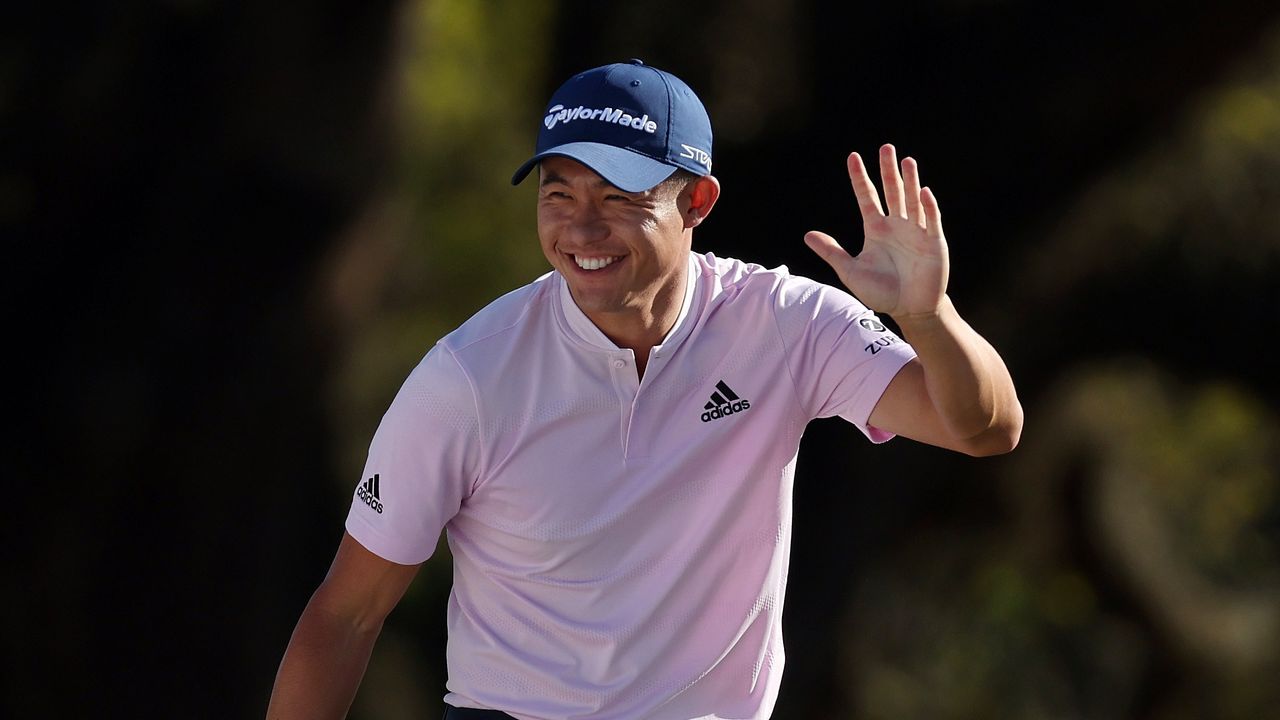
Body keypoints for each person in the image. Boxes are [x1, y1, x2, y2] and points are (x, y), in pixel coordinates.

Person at [266, 59, 1022, 720]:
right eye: (558, 195)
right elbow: (347, 613)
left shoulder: (785, 326)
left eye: (620, 197)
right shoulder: (468, 376)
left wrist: (929, 316)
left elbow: (984, 428)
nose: (581, 230)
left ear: (697, 203)